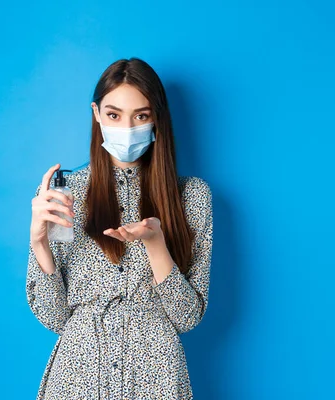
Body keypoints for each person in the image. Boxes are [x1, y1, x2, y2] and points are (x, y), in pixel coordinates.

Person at [26, 57, 213, 399]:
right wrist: (39, 244)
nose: (126, 128)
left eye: (140, 116)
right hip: (77, 377)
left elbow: (187, 318)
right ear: (96, 114)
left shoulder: (191, 197)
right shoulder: (64, 194)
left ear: (157, 118)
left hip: (157, 378)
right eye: (114, 115)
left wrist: (156, 244)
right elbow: (55, 318)